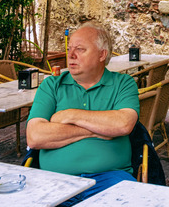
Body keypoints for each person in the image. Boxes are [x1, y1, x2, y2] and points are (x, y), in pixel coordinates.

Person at [26, 23, 139, 206]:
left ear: (102, 54)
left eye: (80, 49)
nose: (70, 55)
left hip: (110, 179)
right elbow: (35, 137)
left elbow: (122, 124)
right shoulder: (51, 86)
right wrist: (97, 130)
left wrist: (70, 115)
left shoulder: (123, 84)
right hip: (53, 181)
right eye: (70, 49)